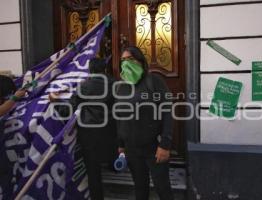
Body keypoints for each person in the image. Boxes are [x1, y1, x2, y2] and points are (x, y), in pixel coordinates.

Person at [49, 58, 117, 200]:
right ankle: (114, 165)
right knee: (113, 159)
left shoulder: (84, 87)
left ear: (90, 70)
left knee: (93, 173)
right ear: (104, 69)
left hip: (89, 134)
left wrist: (55, 101)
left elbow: (66, 111)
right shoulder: (116, 84)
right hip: (112, 133)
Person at [116, 46, 174, 200]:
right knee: (140, 188)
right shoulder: (121, 87)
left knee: (163, 188)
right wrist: (121, 145)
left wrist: (165, 144)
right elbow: (120, 117)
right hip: (131, 148)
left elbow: (167, 112)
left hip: (154, 147)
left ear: (141, 61)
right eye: (123, 60)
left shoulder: (154, 81)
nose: (126, 63)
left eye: (130, 59)